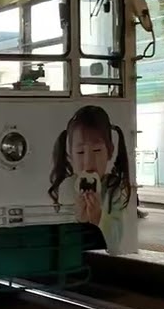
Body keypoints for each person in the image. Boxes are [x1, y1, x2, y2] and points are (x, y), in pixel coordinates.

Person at [48, 105, 132, 252]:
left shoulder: (114, 189)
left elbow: (115, 243)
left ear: (110, 152)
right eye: (80, 152)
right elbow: (58, 240)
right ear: (71, 156)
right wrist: (79, 221)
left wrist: (99, 218)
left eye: (97, 150)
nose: (88, 161)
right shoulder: (66, 188)